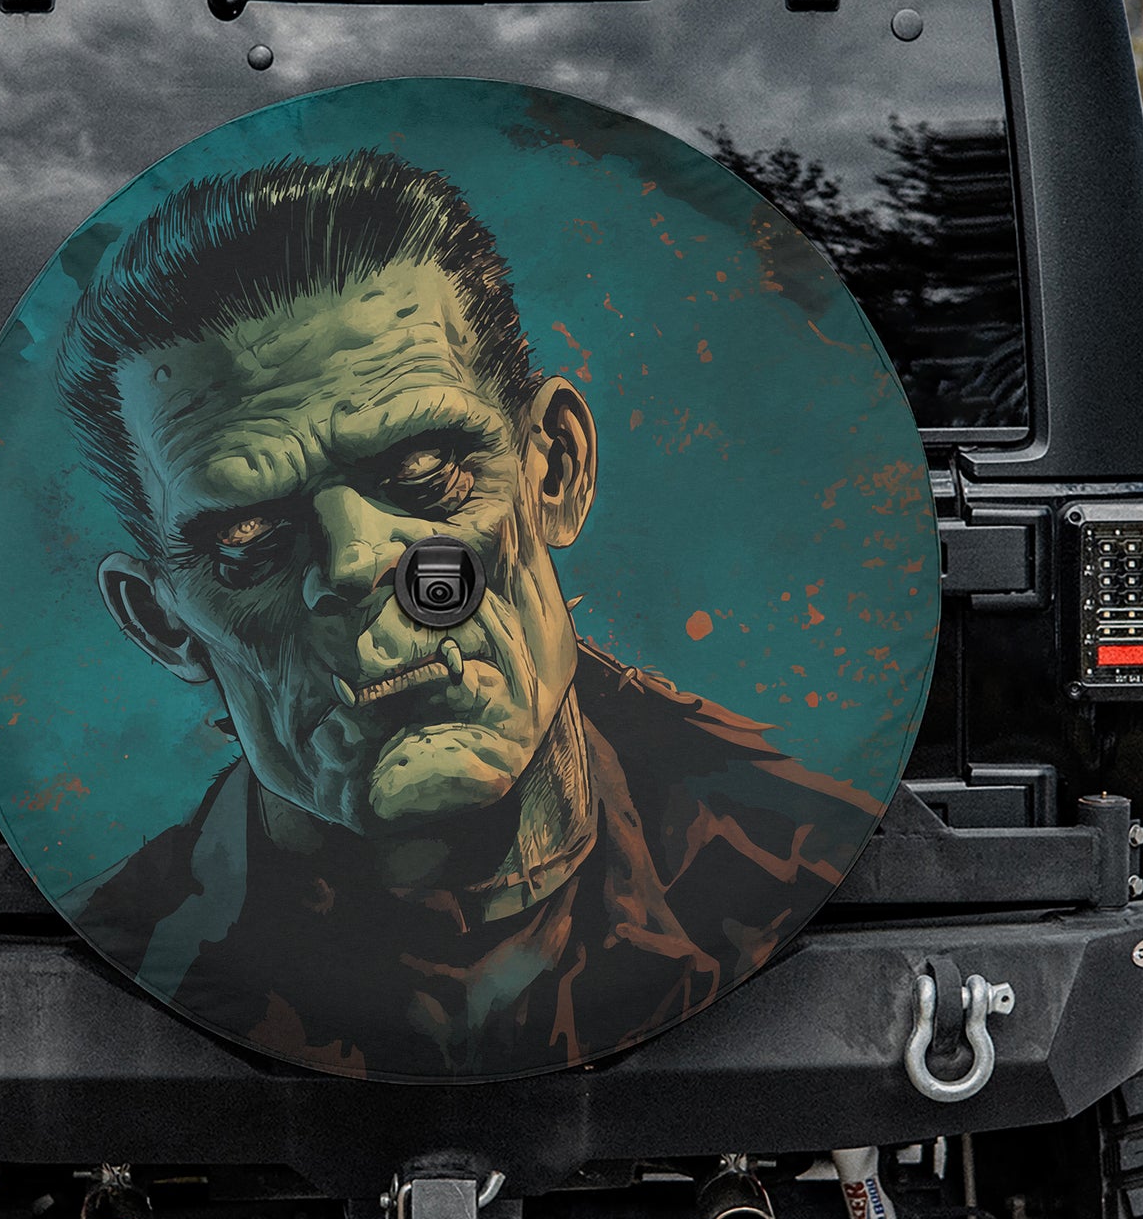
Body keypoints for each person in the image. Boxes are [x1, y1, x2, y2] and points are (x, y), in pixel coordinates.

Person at [54, 150, 880, 1079]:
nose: (360, 564)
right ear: (163, 623)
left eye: (423, 475)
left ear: (553, 470)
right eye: (247, 540)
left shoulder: (791, 860)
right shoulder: (116, 954)